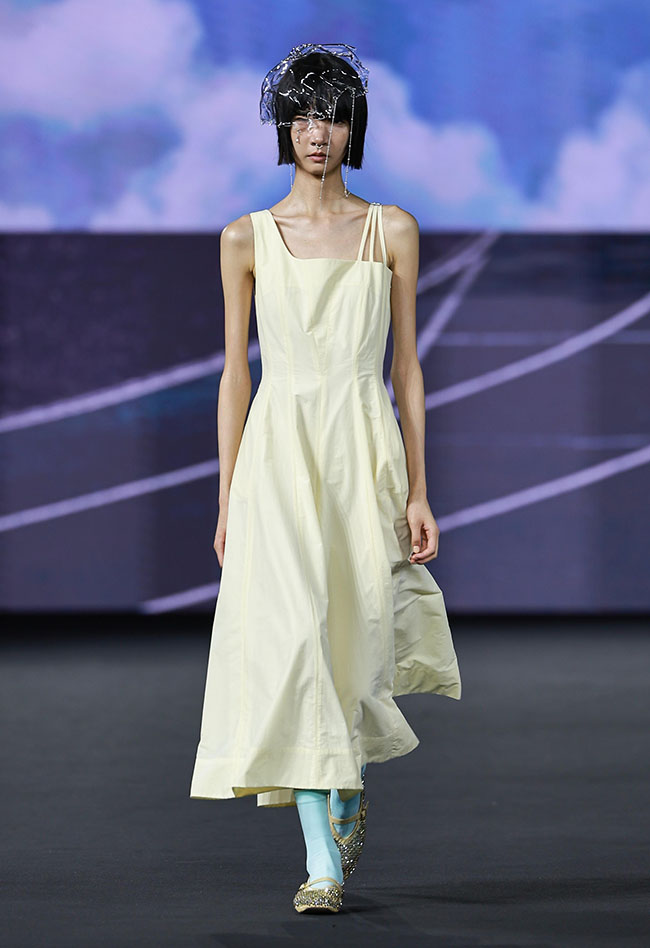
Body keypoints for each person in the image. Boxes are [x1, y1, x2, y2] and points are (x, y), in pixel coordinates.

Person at [189, 43, 462, 914]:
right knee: (294, 641)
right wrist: (227, 495)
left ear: (354, 129)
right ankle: (321, 865)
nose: (317, 132)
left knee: (353, 638)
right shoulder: (246, 238)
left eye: (333, 116)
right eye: (304, 116)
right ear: (284, 127)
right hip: (278, 454)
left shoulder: (393, 230)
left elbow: (408, 369)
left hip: (361, 448)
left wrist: (418, 489)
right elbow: (235, 375)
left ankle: (345, 786)